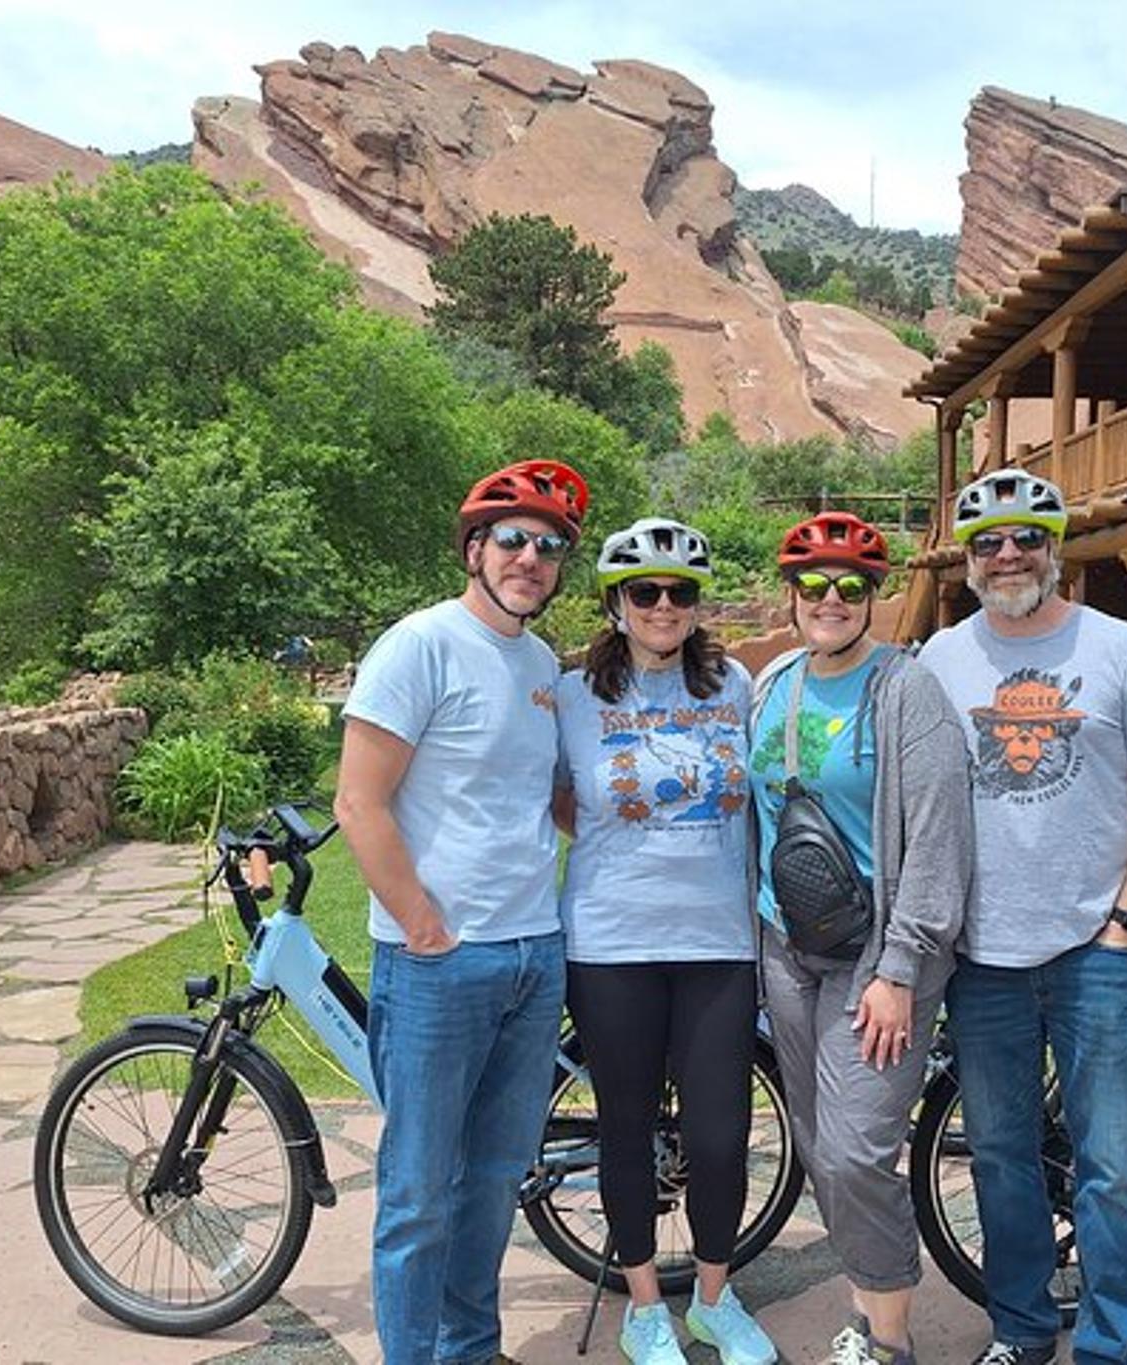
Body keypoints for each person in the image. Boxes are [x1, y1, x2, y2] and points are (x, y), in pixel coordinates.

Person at [917, 471, 1127, 1365]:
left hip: (1095, 950)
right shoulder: (939, 659)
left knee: (1110, 1163)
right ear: (968, 560)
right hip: (982, 953)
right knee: (999, 1156)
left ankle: (1111, 1342)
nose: (1008, 555)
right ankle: (1022, 1328)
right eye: (988, 541)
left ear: (1055, 548)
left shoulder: (1123, 650)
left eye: (1026, 538)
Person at [333, 458, 589, 1365]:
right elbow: (359, 801)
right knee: (418, 1192)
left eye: (549, 546)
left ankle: (470, 1349)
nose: (531, 558)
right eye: (512, 538)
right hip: (439, 965)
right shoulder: (420, 645)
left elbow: (549, 797)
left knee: (493, 1178)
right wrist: (423, 927)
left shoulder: (542, 666)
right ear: (475, 548)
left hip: (532, 954)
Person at [550, 517, 777, 1365]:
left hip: (718, 939)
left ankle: (715, 1298)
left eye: (680, 591)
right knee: (627, 1127)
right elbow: (559, 797)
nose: (663, 604)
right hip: (611, 943)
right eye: (644, 590)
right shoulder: (574, 694)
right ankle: (645, 1307)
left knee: (719, 1134)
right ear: (616, 602)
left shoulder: (733, 684)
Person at [750, 512, 973, 1365]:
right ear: (792, 594)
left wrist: (901, 967)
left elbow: (940, 839)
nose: (831, 599)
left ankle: (888, 1339)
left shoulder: (907, 691)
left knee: (855, 1151)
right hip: (786, 945)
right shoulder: (776, 682)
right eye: (813, 584)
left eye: (851, 585)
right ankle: (863, 1304)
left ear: (874, 595)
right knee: (818, 1143)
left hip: (877, 956)